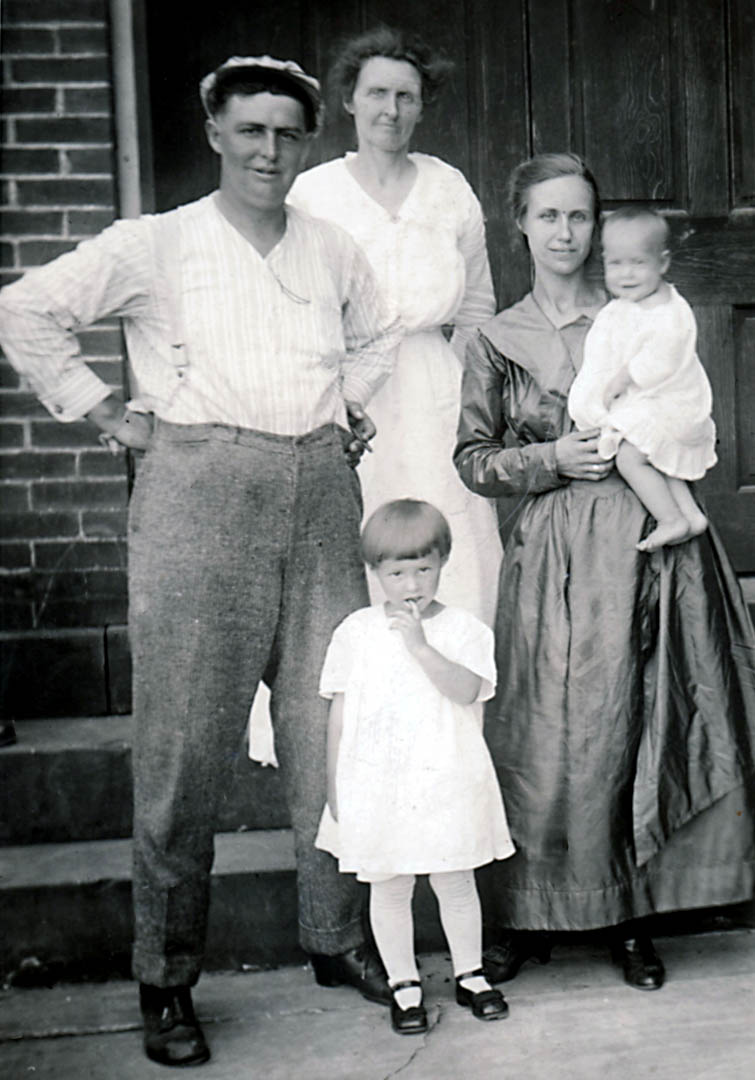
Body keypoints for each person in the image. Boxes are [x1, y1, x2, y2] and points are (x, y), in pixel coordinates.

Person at [0, 55, 401, 1067]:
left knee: (329, 731)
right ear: (215, 131)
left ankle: (334, 936)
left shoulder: (332, 248)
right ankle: (166, 979)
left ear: (306, 141)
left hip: (317, 492)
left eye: (287, 132)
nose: (269, 149)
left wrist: (350, 411)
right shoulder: (157, 243)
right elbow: (23, 310)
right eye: (250, 129)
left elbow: (378, 334)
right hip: (198, 492)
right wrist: (100, 411)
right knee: (184, 756)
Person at [454, 152, 755, 993]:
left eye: (578, 216)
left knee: (635, 723)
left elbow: (684, 408)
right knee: (540, 731)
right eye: (546, 215)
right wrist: (549, 455)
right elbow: (473, 460)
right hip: (551, 547)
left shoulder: (638, 313)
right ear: (518, 222)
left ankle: (630, 915)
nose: (564, 232)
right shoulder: (497, 336)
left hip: (638, 543)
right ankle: (522, 914)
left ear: (597, 227)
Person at [247, 25, 502, 767]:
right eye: (376, 94)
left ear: (421, 107)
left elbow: (478, 305)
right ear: (349, 103)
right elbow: (285, 298)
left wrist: (461, 394)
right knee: (351, 547)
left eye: (405, 96)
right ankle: (360, 737)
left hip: (432, 389)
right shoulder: (315, 191)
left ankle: (453, 720)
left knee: (450, 536)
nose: (390, 109)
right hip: (345, 396)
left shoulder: (448, 186)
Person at [316, 499, 514, 1035]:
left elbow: (468, 689)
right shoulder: (355, 631)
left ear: (443, 563)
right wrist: (335, 787)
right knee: (390, 884)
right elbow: (338, 715)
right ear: (375, 572)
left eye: (424, 569)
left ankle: (470, 973)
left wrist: (420, 646)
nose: (411, 583)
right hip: (379, 783)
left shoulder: (466, 630)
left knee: (455, 880)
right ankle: (405, 982)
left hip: (446, 778)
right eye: (397, 572)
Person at [568, 205, 716, 552]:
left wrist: (622, 379)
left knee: (631, 455)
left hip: (674, 404)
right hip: (656, 401)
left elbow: (660, 359)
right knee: (659, 456)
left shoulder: (669, 312)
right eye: (615, 264)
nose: (626, 274)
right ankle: (692, 516)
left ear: (662, 264)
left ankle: (670, 518)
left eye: (638, 263)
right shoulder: (630, 306)